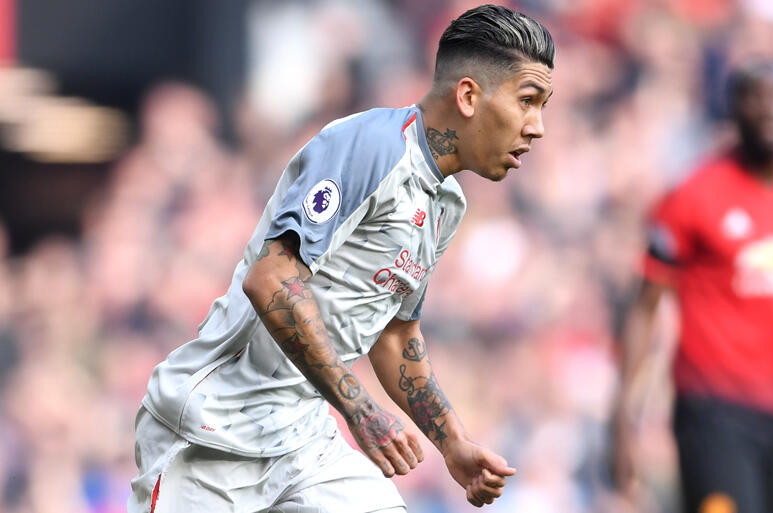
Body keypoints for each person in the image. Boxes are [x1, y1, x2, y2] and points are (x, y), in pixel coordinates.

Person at [128, 5, 555, 512]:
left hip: (303, 439)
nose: (537, 127)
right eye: (527, 101)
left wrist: (452, 443)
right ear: (468, 96)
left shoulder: (445, 204)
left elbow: (395, 335)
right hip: (212, 431)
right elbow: (271, 279)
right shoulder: (370, 147)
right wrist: (359, 408)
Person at [614, 60, 773, 513]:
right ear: (734, 109)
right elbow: (645, 306)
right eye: (757, 98)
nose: (771, 110)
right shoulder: (694, 195)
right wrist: (623, 414)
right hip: (717, 412)